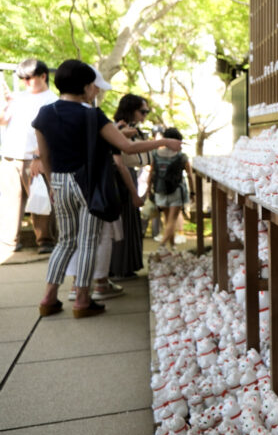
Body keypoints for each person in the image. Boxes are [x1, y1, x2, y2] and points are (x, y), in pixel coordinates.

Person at [32, 60, 180, 318]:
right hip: (88, 185)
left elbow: (45, 156)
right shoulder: (92, 115)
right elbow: (128, 147)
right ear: (87, 87)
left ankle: (48, 298)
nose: (96, 91)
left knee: (65, 241)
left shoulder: (45, 114)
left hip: (59, 182)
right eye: (94, 86)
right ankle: (81, 300)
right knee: (88, 241)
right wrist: (164, 141)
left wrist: (52, 186)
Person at [0, 58, 57, 254]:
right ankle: (9, 242)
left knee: (40, 199)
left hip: (34, 157)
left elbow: (51, 133)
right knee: (9, 202)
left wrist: (40, 158)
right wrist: (6, 105)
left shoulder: (52, 100)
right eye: (23, 79)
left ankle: (45, 241)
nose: (25, 82)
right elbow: (3, 121)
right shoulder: (18, 98)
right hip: (10, 155)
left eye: (29, 78)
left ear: (43, 76)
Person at [107, 94, 151, 279]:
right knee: (123, 223)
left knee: (129, 222)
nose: (144, 116)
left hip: (129, 175)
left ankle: (123, 267)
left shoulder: (128, 128)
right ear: (131, 110)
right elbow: (119, 161)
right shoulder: (118, 128)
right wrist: (134, 192)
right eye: (142, 112)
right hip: (120, 177)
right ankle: (118, 268)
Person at [151, 127, 193, 249]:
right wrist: (193, 192)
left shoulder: (156, 154)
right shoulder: (182, 156)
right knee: (172, 220)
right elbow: (190, 175)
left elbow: (152, 173)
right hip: (177, 191)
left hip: (160, 190)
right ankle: (162, 245)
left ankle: (172, 245)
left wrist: (149, 190)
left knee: (166, 218)